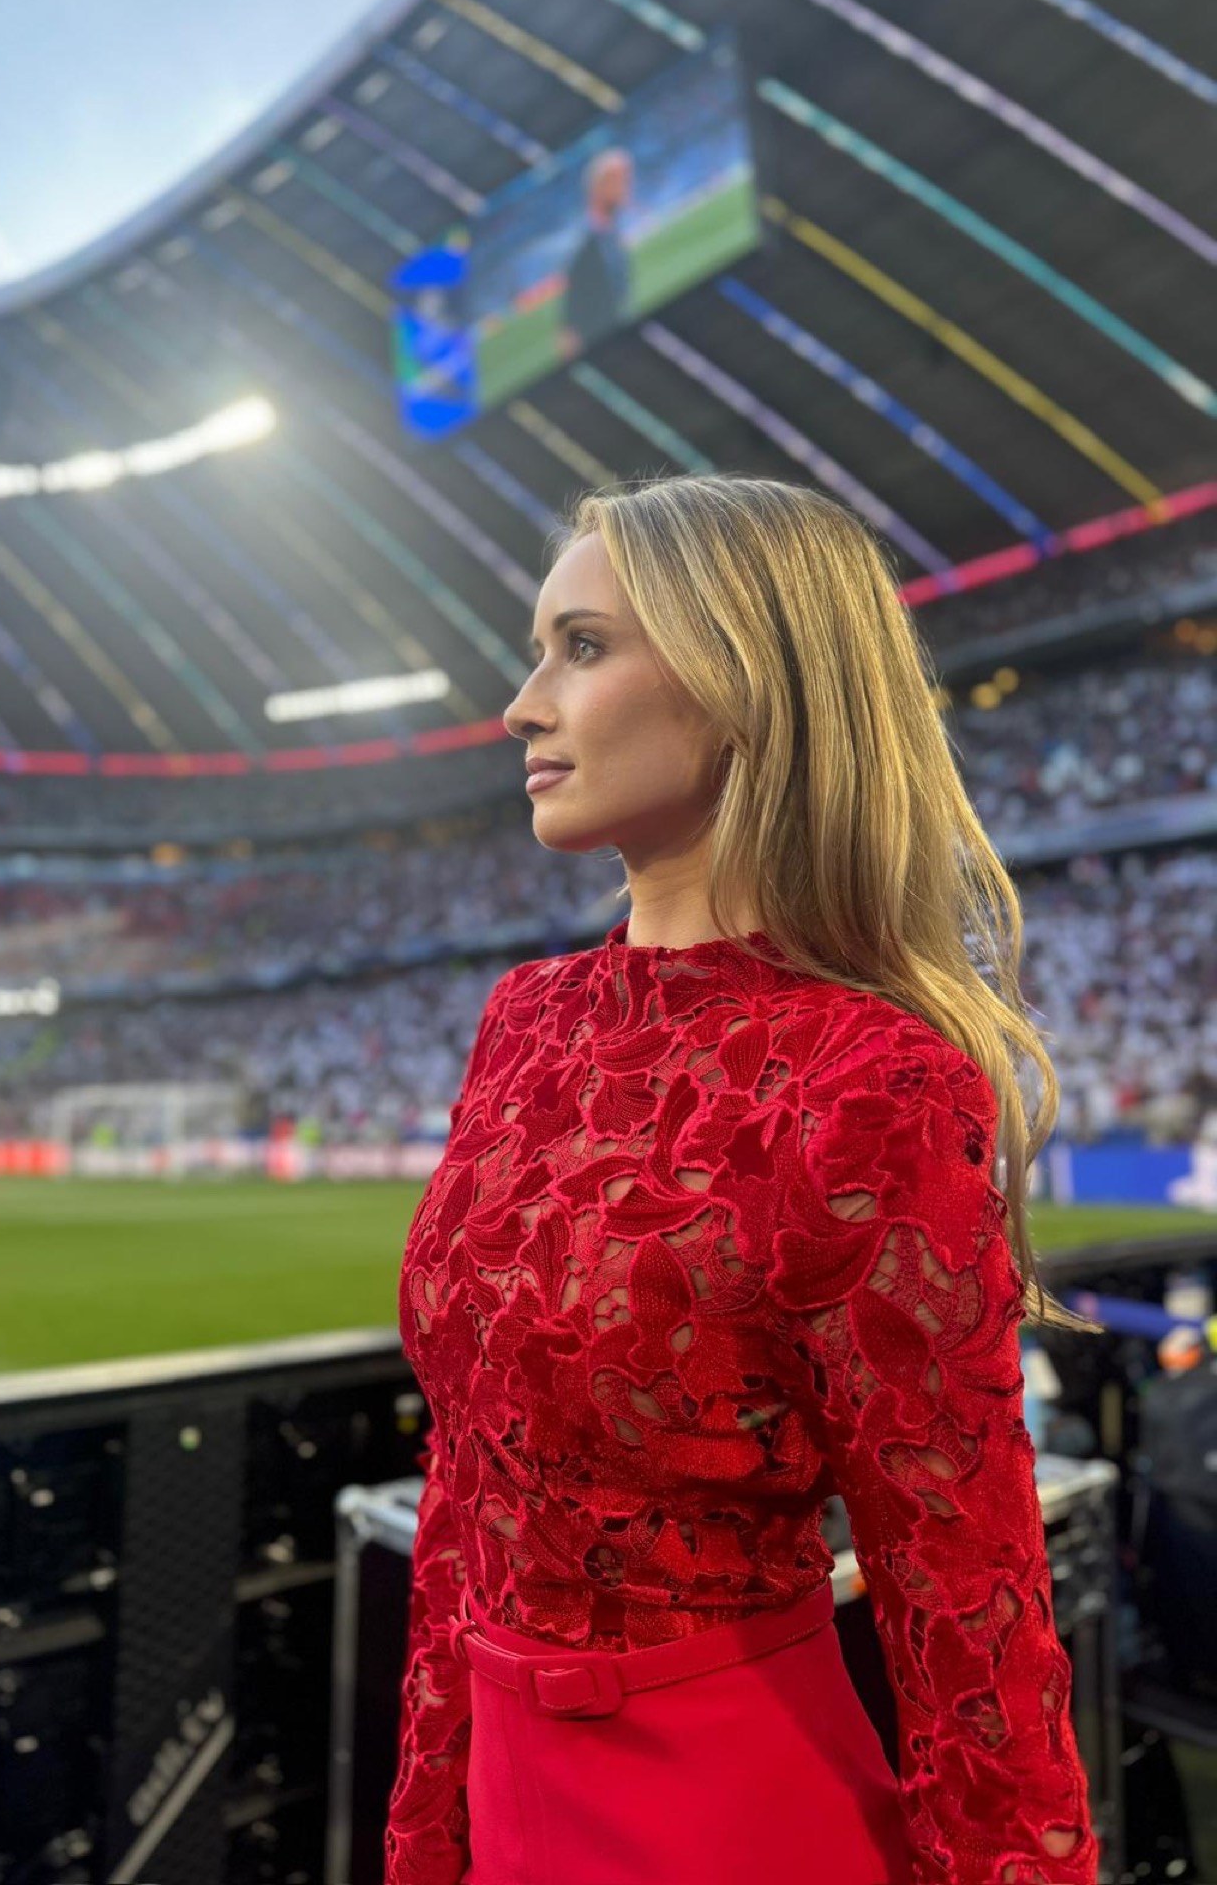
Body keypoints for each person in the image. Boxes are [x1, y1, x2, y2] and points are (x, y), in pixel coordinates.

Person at [384, 474, 1105, 1885]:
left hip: (725, 1813)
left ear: (740, 678)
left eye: (583, 648)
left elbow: (966, 1602)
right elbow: (464, 1492)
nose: (524, 705)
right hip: (500, 1792)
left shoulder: (877, 1083)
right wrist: (428, 1822)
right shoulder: (526, 1017)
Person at [559, 148, 635, 358]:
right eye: (621, 181)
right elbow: (569, 331)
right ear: (600, 188)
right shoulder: (582, 247)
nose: (627, 188)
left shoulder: (611, 237)